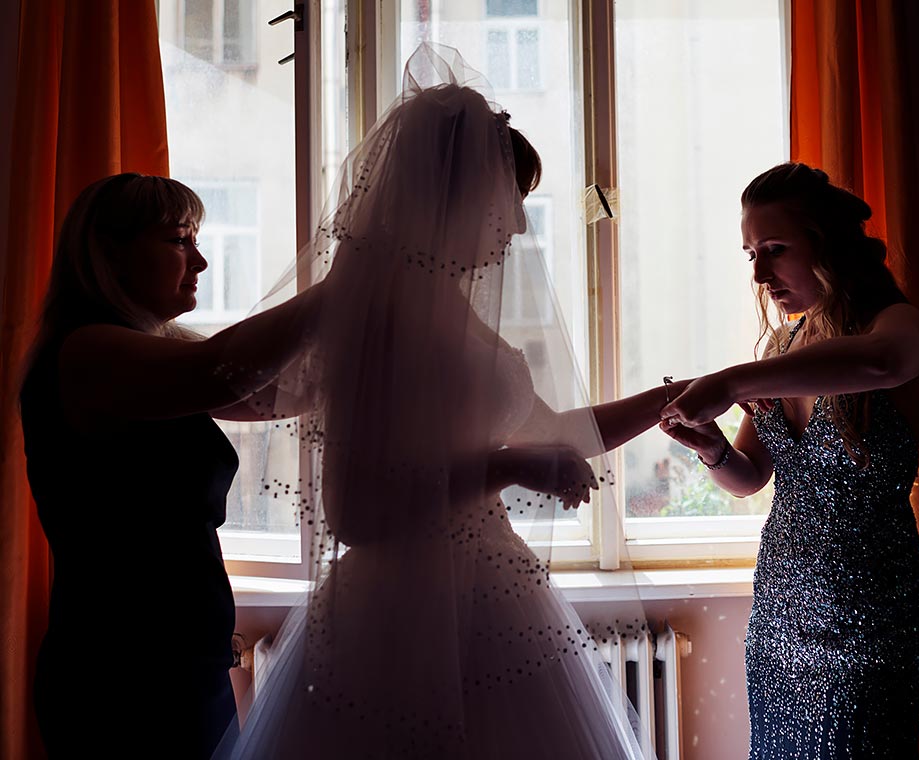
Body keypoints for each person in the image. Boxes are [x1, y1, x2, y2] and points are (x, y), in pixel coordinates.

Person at [216, 45, 683, 759]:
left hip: (489, 594)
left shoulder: (453, 309)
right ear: (453, 198)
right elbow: (355, 511)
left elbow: (560, 430)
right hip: (403, 619)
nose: (519, 226)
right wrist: (509, 466)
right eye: (511, 200)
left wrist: (674, 400)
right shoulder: (381, 321)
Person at [17, 172, 327, 756]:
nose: (202, 260)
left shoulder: (156, 351)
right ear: (110, 254)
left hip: (182, 671)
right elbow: (221, 368)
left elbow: (279, 390)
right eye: (179, 240)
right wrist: (340, 290)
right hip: (120, 682)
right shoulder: (86, 351)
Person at [658, 162, 919, 759]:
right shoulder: (784, 347)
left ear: (827, 244)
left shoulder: (894, 324)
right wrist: (712, 447)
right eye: (750, 255)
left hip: (872, 616)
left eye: (774, 249)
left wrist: (733, 381)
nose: (760, 273)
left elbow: (883, 364)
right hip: (780, 613)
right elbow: (750, 478)